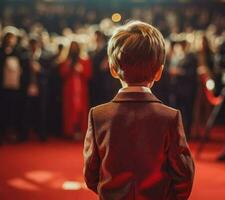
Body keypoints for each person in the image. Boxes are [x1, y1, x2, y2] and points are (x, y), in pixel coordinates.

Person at [83, 21, 194, 200]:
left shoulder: (98, 116)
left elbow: (91, 175)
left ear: (113, 69)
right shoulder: (170, 117)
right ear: (159, 72)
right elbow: (184, 176)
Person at [19, 37, 51, 141]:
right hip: (27, 87)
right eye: (31, 44)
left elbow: (50, 74)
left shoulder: (46, 56)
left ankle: (42, 133)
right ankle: (24, 134)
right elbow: (21, 74)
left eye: (35, 44)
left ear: (38, 45)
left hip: (41, 87)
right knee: (25, 110)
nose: (33, 47)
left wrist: (40, 70)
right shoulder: (24, 57)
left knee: (41, 111)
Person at [60, 41, 92, 139]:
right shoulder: (66, 61)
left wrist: (81, 70)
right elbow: (62, 74)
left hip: (81, 89)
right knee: (70, 110)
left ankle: (80, 131)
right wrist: (68, 66)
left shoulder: (84, 60)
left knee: (81, 110)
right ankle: (70, 131)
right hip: (70, 90)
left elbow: (89, 74)